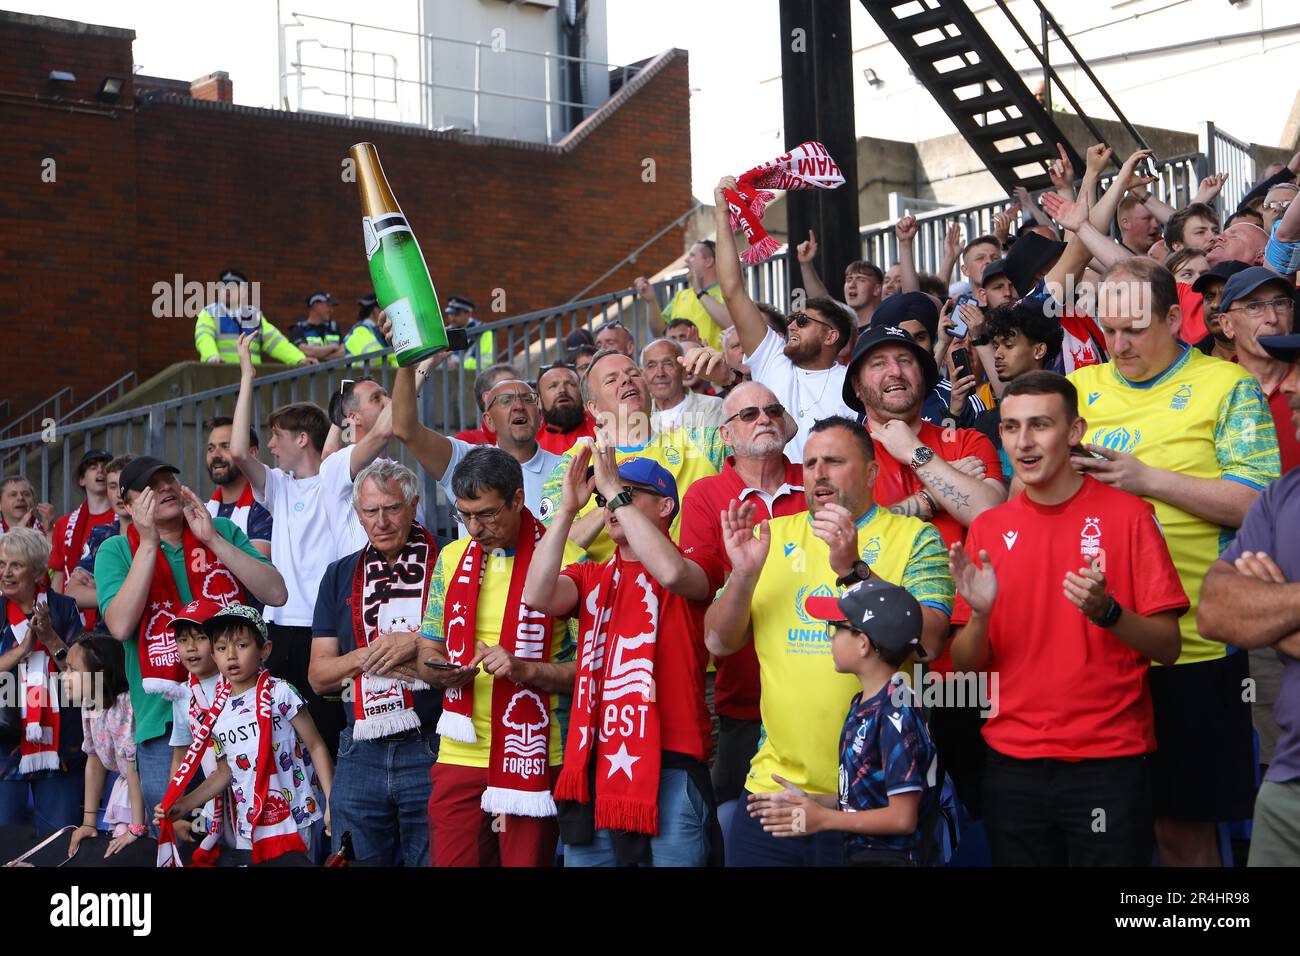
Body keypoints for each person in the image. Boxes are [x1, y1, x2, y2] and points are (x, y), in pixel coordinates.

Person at [1067, 257, 1281, 866]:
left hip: (1195, 648)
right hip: (1097, 651)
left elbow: (1257, 504)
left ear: (1172, 318)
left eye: (1135, 328)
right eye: (1109, 329)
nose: (1119, 343)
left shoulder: (1226, 385)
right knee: (1108, 833)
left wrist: (1145, 478)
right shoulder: (1080, 389)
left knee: (1183, 832)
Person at [949, 372, 1186, 865]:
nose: (1023, 442)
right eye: (1011, 428)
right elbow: (966, 668)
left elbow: (1168, 647)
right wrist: (981, 615)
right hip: (1012, 763)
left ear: (1075, 431)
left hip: (1109, 762)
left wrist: (1109, 612)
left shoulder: (1130, 516)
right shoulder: (989, 528)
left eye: (1040, 425)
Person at [704, 417, 953, 866]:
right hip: (774, 794)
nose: (818, 473)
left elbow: (929, 642)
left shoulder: (916, 537)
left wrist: (852, 569)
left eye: (834, 461)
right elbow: (718, 641)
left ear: (872, 473)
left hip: (871, 802)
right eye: (811, 462)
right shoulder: (772, 536)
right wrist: (743, 576)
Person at [522, 447, 725, 867]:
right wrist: (565, 511)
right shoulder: (591, 573)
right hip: (596, 765)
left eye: (630, 495)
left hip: (672, 767)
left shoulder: (694, 561)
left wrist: (612, 489)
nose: (613, 505)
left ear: (667, 505)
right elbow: (536, 594)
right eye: (608, 498)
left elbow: (669, 574)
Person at [414, 448, 583, 867]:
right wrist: (440, 673)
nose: (474, 528)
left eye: (487, 514)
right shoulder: (451, 558)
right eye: (464, 515)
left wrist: (524, 669)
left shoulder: (569, 558)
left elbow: (591, 672)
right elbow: (427, 649)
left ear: (519, 500)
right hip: (460, 749)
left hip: (536, 752)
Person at [95, 455, 287, 821]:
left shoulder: (222, 531)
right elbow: (119, 625)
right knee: (177, 837)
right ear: (129, 503)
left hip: (242, 708)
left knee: (255, 829)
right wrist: (149, 544)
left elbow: (276, 593)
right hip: (164, 722)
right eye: (151, 486)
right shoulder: (117, 550)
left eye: (170, 478)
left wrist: (212, 539)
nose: (165, 487)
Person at [229, 332, 389, 756]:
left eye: (278, 435)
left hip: (326, 630)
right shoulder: (278, 486)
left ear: (302, 439)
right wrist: (247, 375)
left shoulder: (335, 473)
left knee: (332, 736)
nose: (271, 446)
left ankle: (340, 817)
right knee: (287, 744)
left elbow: (379, 438)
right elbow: (239, 454)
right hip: (281, 628)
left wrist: (411, 373)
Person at [750, 580, 941, 866]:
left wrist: (823, 819)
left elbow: (902, 818)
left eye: (836, 628)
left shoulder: (896, 712)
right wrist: (812, 801)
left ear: (863, 643)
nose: (830, 637)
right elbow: (865, 798)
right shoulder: (862, 702)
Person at [1199, 329, 1300, 865]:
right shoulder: (1283, 492)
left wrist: (1275, 606)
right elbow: (1216, 610)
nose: (1291, 386)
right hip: (1289, 782)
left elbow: (1247, 613)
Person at [309, 461, 442, 866]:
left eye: (392, 508)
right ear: (357, 513)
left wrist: (414, 643)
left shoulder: (450, 565)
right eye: (370, 511)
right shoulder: (338, 575)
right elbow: (318, 677)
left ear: (414, 505)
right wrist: (372, 656)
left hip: (434, 743)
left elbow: (470, 652)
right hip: (359, 749)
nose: (381, 521)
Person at [679, 382, 804, 808]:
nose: (765, 418)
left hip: (828, 693)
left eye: (772, 410)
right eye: (749, 415)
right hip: (745, 699)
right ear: (726, 435)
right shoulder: (704, 494)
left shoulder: (816, 481)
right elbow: (702, 588)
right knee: (738, 828)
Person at [156, 604, 332, 864]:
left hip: (295, 817)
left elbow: (316, 745)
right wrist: (184, 805)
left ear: (265, 650)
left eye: (241, 645)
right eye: (221, 648)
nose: (231, 656)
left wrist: (331, 801)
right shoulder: (217, 713)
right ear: (214, 656)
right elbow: (225, 772)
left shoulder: (280, 693)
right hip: (248, 825)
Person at [715, 177, 855, 460]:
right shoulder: (772, 358)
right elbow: (732, 290)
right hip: (779, 500)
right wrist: (721, 213)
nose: (792, 324)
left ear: (831, 336)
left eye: (803, 322)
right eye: (792, 318)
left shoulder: (854, 383)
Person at [539, 348, 724, 563]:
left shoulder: (701, 443)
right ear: (594, 408)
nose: (626, 380)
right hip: (611, 594)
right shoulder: (573, 465)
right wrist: (614, 500)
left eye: (633, 373)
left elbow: (764, 438)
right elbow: (549, 553)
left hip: (696, 589)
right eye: (611, 380)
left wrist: (729, 379)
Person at [392, 363, 562, 521]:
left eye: (527, 398)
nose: (518, 406)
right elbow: (405, 428)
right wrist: (406, 356)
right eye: (505, 400)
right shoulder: (465, 461)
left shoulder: (565, 468)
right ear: (489, 421)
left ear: (540, 416)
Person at [0, 527, 84, 835]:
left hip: (60, 748)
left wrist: (49, 638)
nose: (6, 573)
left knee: (57, 842)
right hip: (5, 748)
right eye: (1, 564)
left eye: (15, 565)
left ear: (37, 572)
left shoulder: (63, 608)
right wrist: (21, 651)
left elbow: (87, 680)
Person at [165, 598, 236, 862]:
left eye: (200, 637)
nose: (190, 647)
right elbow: (181, 757)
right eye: (183, 640)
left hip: (258, 794)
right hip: (215, 801)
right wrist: (176, 810)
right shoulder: (183, 694)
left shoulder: (241, 679)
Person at [66, 635, 147, 860]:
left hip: (146, 793)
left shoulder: (125, 705)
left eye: (72, 670)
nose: (65, 677)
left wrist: (137, 827)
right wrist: (88, 823)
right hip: (128, 789)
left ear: (99, 675)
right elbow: (93, 760)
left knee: (139, 849)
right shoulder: (90, 703)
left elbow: (134, 768)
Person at [1218, 267, 1300, 473]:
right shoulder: (1211, 389)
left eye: (1280, 303)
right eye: (1254, 306)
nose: (1272, 318)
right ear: (1226, 325)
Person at [972, 303, 1065, 473]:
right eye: (996, 345)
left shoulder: (1065, 411)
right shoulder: (985, 421)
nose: (998, 354)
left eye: (1008, 346)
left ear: (1039, 350)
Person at [63, 455, 134, 622]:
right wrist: (127, 594)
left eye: (125, 485)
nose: (119, 494)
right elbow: (73, 594)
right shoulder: (101, 534)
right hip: (106, 634)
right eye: (112, 486)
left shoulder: (160, 531)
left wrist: (103, 586)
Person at [49, 449, 115, 627]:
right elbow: (59, 574)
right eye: (93, 467)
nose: (100, 471)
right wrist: (56, 613)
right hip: (74, 619)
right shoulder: (64, 524)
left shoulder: (123, 520)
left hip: (109, 615)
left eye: (105, 467)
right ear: (82, 480)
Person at [193, 268, 310, 367]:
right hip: (220, 377)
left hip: (251, 381)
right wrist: (212, 357)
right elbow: (204, 337)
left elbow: (276, 342)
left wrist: (299, 359)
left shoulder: (254, 316)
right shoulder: (210, 313)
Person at [635, 240, 730, 349]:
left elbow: (732, 325)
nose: (686, 260)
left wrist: (699, 292)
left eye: (692, 256)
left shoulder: (727, 292)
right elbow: (659, 333)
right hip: (681, 363)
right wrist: (651, 301)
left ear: (708, 261)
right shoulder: (681, 295)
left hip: (713, 363)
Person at [204, 417, 272, 559]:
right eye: (211, 448)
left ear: (251, 454)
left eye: (226, 446)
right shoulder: (205, 509)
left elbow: (257, 566)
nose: (215, 455)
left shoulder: (265, 505)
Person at [643, 338, 725, 431]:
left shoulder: (711, 407)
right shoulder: (639, 414)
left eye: (668, 364)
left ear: (683, 370)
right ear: (643, 374)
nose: (660, 373)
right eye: (651, 366)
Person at [536, 363, 597, 455]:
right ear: (539, 401)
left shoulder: (603, 427)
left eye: (570, 384)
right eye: (553, 386)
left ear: (582, 394)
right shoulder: (531, 444)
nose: (562, 390)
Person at [454, 364, 521, 446]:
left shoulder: (535, 437)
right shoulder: (466, 442)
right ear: (488, 398)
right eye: (508, 386)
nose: (520, 390)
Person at [288, 292, 345, 362]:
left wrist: (319, 357)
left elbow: (343, 353)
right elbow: (305, 351)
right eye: (328, 306)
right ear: (316, 305)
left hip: (334, 372)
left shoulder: (334, 328)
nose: (331, 310)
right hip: (309, 372)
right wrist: (333, 347)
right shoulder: (298, 329)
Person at [343, 293, 397, 365]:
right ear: (375, 310)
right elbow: (375, 357)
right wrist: (397, 354)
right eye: (383, 309)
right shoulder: (360, 330)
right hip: (361, 375)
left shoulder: (375, 331)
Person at [444, 295, 495, 371]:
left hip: (472, 376)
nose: (452, 318)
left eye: (457, 314)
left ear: (469, 313)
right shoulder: (447, 331)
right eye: (450, 313)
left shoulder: (484, 332)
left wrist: (458, 365)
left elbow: (487, 362)